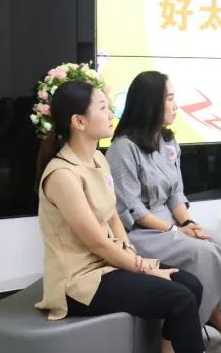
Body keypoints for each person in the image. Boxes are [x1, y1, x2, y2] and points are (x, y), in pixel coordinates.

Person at [35, 81, 204, 353]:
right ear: (79, 121)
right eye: (103, 108)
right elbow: (97, 243)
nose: (111, 114)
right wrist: (143, 268)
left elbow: (113, 216)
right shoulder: (62, 175)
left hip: (108, 266)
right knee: (180, 298)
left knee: (191, 284)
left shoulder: (98, 159)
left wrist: (132, 255)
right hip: (80, 282)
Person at [106, 71, 221, 337]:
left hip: (171, 225)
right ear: (150, 103)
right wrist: (174, 231)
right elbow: (132, 209)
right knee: (202, 254)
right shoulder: (123, 148)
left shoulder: (168, 142)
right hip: (142, 232)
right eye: (169, 98)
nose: (176, 105)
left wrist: (190, 224)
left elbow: (176, 195)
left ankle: (207, 313)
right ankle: (195, 324)